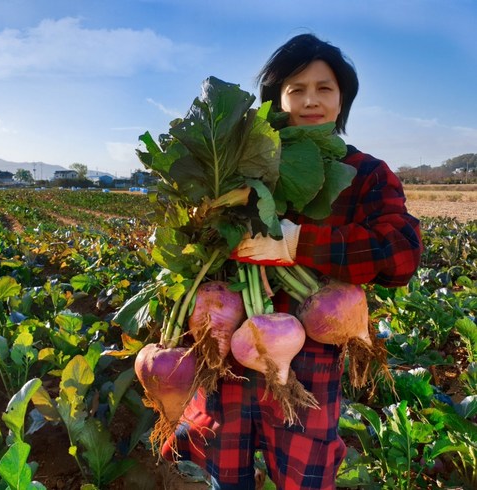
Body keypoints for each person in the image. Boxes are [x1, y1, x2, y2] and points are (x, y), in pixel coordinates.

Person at [162, 32, 422, 489]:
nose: (310, 100)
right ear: (277, 98)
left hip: (313, 360)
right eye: (296, 89)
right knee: (226, 473)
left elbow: (400, 255)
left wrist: (301, 243)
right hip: (230, 354)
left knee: (306, 476)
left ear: (342, 100)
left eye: (324, 88)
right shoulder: (242, 167)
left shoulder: (366, 173)